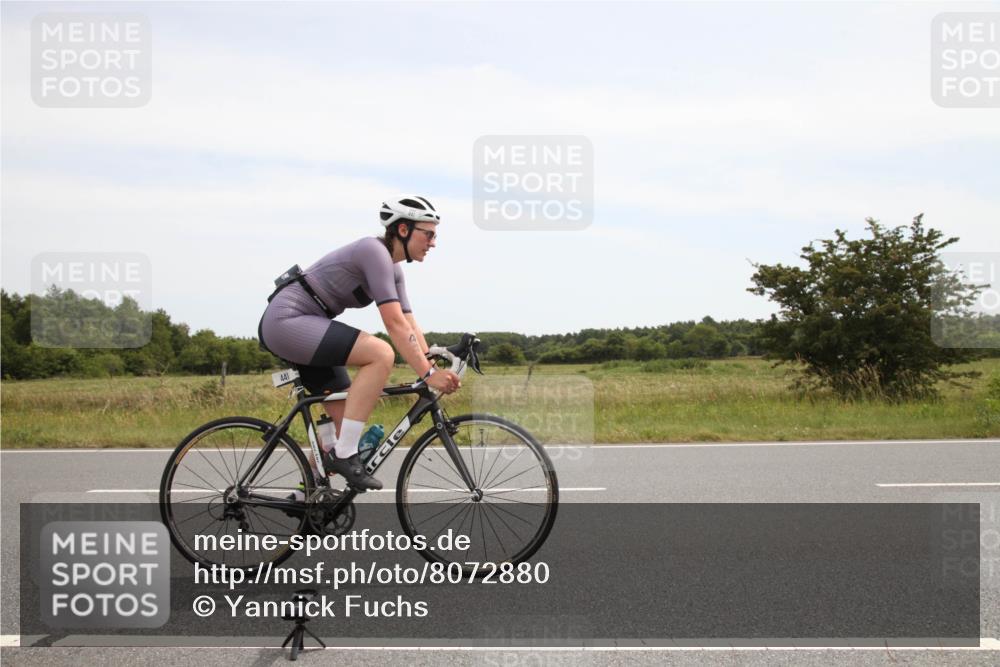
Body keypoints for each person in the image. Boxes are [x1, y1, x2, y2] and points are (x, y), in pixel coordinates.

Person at [258, 195, 461, 491]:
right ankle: (344, 457)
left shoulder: (393, 269)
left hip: (310, 325)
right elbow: (393, 323)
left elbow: (408, 322)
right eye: (428, 234)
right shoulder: (373, 251)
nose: (433, 243)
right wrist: (428, 374)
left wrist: (431, 360)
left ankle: (308, 499)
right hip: (288, 320)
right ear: (403, 230)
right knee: (381, 353)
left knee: (345, 424)